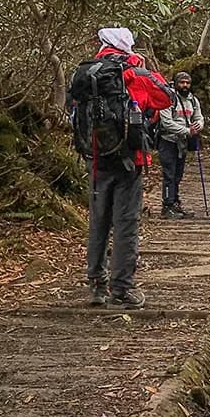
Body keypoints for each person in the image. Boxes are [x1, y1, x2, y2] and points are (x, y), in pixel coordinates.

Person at [73, 27, 173, 309]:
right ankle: (122, 288)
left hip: (95, 158)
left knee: (98, 220)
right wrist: (142, 67)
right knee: (126, 223)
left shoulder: (87, 72)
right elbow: (165, 97)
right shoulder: (133, 72)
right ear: (127, 45)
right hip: (130, 159)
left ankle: (96, 285)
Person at [156, 71, 205, 219]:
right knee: (169, 174)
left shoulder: (193, 100)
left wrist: (198, 125)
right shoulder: (168, 99)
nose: (185, 85)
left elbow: (199, 117)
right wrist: (187, 130)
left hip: (182, 142)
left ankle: (175, 203)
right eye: (182, 82)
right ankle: (167, 205)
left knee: (178, 175)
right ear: (176, 83)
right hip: (168, 141)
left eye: (187, 83)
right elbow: (167, 122)